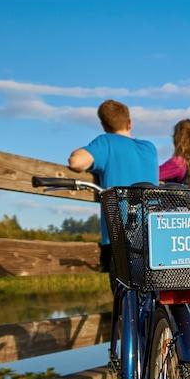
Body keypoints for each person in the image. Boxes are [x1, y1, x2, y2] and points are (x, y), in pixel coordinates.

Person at [68, 99, 158, 284]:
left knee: (124, 299)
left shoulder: (106, 142)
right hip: (153, 232)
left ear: (104, 125)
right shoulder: (149, 147)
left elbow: (76, 162)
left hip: (121, 237)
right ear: (129, 122)